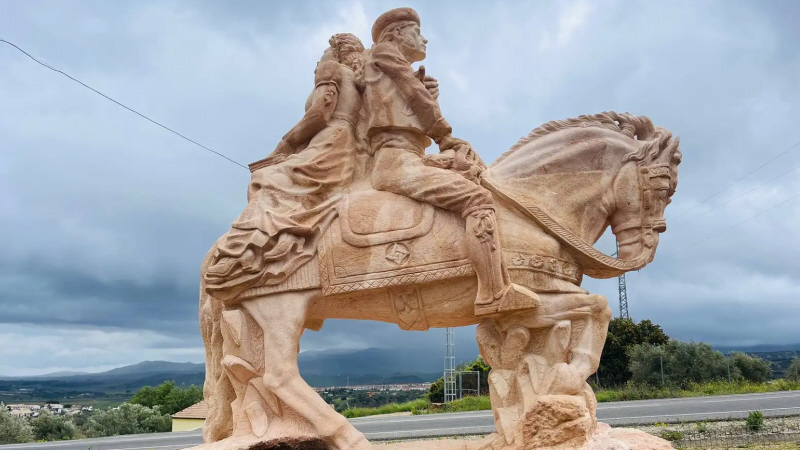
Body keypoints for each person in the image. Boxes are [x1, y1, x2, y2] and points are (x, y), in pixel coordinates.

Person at [364, 8, 540, 318]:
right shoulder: (384, 52)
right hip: (396, 161)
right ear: (397, 33)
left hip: (412, 158)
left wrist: (428, 96)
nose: (425, 39)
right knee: (477, 198)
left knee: (475, 174)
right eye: (417, 32)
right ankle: (493, 292)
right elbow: (412, 95)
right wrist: (445, 137)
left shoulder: (389, 67)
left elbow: (409, 99)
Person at [204, 33, 366, 302]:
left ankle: (245, 251)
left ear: (335, 53)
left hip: (328, 145)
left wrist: (285, 144)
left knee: (265, 178)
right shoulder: (360, 79)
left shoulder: (331, 69)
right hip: (346, 148)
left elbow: (319, 113)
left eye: (323, 53)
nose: (318, 61)